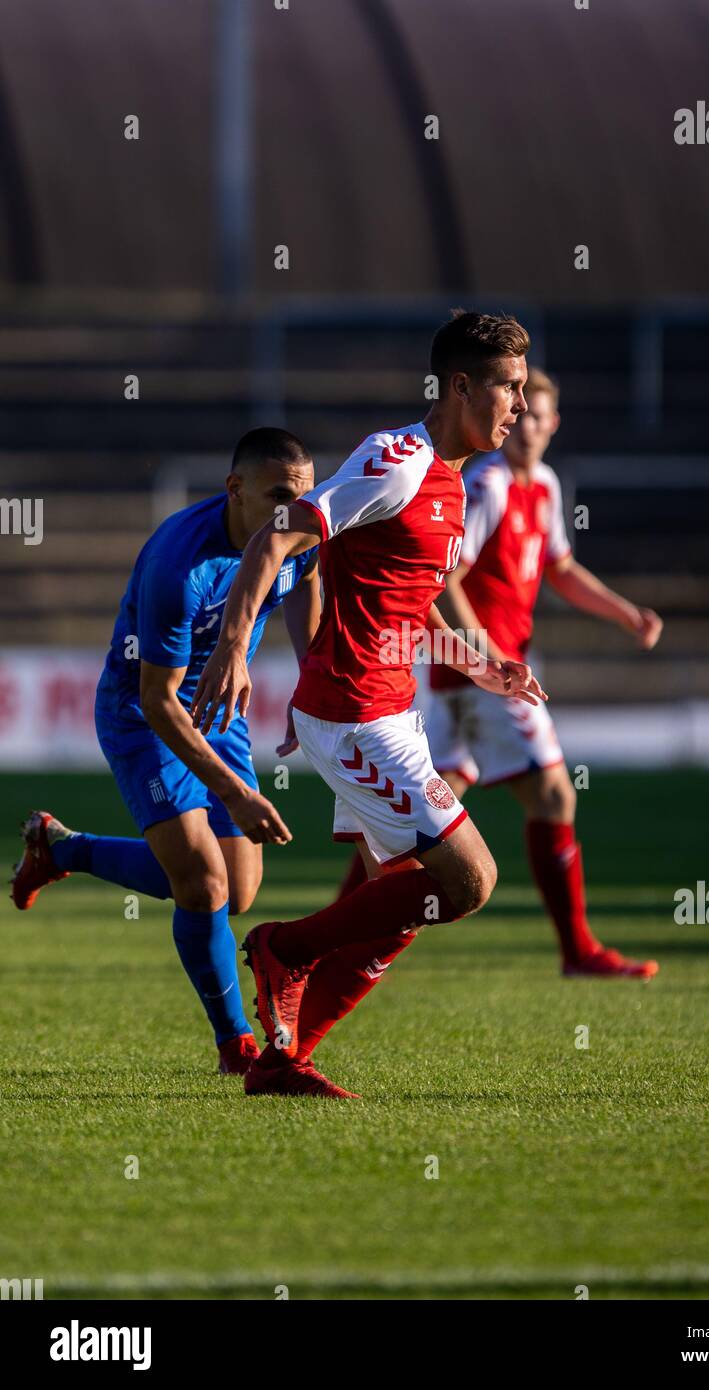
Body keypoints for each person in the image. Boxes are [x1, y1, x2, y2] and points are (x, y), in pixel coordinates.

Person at [191, 310, 544, 1100]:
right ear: (460, 385)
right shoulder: (399, 459)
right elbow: (282, 533)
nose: (519, 406)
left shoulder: (451, 484)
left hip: (382, 707)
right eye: (509, 388)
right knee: (470, 881)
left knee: (409, 906)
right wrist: (233, 647)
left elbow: (406, 607)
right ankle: (284, 947)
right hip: (356, 714)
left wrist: (481, 665)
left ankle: (284, 1060)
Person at [11, 429, 319, 1074]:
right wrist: (238, 793)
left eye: (304, 495)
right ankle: (235, 1046)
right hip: (144, 715)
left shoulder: (301, 531)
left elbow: (306, 585)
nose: (295, 510)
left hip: (218, 712)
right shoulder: (181, 567)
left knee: (236, 891)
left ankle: (62, 849)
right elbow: (158, 699)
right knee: (204, 885)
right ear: (235, 489)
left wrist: (310, 679)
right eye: (280, 496)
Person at [423, 366, 663, 977]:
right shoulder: (490, 485)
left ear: (554, 423)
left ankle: (332, 932)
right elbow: (448, 573)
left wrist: (625, 613)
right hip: (491, 671)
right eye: (520, 413)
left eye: (539, 416)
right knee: (554, 793)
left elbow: (559, 569)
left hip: (471, 671)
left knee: (426, 808)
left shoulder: (546, 485)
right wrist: (482, 655)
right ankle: (578, 951)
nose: (526, 425)